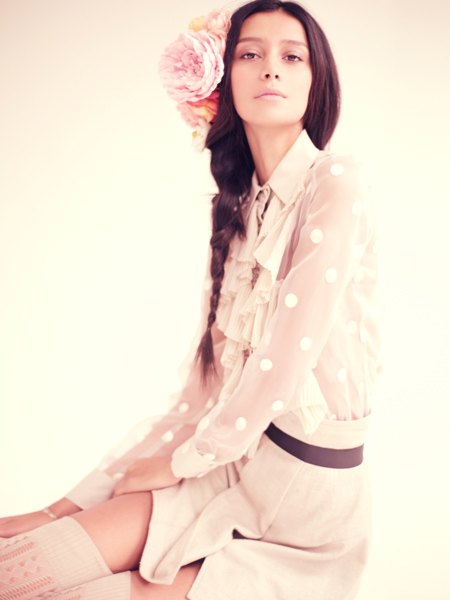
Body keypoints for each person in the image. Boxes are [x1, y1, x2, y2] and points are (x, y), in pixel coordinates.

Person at [0, 1, 382, 599]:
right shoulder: (235, 209)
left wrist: (183, 463)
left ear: (318, 81)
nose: (271, 68)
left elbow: (283, 362)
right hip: (226, 472)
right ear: (224, 79)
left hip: (307, 507)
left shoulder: (336, 181)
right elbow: (200, 396)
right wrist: (61, 508)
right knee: (16, 566)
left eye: (292, 57)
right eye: (250, 54)